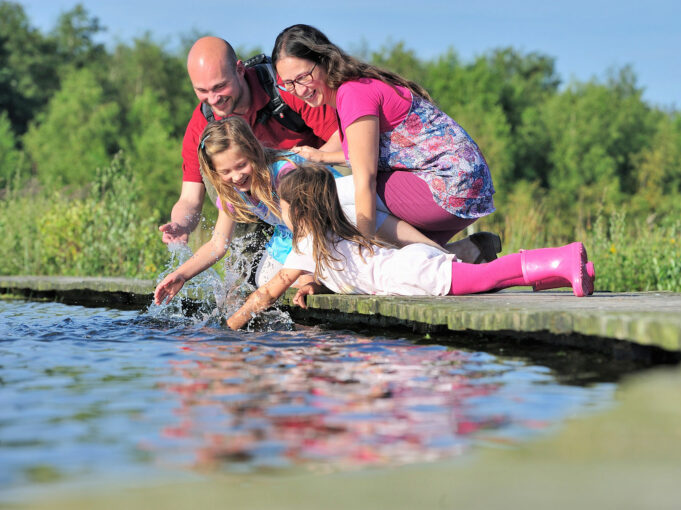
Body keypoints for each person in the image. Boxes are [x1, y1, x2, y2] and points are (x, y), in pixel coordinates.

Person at [225, 165, 596, 330]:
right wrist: (312, 285)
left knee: (485, 277)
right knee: (486, 281)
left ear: (300, 208)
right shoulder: (327, 235)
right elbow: (340, 270)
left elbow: (265, 294)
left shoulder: (306, 243)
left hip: (412, 274)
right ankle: (564, 273)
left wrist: (230, 327)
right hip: (409, 266)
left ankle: (564, 256)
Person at [271, 24, 502, 264]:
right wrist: (321, 157)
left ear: (325, 60)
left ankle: (448, 264)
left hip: (449, 185)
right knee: (401, 259)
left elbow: (365, 179)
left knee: (333, 197)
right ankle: (469, 252)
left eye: (303, 77)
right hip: (467, 186)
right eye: (288, 83)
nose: (298, 90)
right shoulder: (356, 87)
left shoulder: (352, 94)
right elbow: (378, 153)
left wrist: (364, 251)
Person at [154, 117, 448, 305]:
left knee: (369, 243)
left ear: (254, 152)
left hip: (337, 210)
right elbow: (218, 243)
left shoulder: (283, 174)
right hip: (298, 231)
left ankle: (442, 256)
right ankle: (465, 252)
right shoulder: (233, 192)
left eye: (241, 165)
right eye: (226, 172)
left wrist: (310, 278)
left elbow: (309, 233)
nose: (236, 176)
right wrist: (181, 275)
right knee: (264, 279)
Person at [158, 36, 343, 246]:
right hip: (255, 205)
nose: (213, 99)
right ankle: (248, 258)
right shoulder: (202, 124)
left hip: (307, 190)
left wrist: (294, 173)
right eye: (202, 91)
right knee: (213, 169)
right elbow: (190, 199)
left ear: (239, 70)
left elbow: (341, 139)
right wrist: (180, 225)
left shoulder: (285, 86)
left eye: (220, 87)